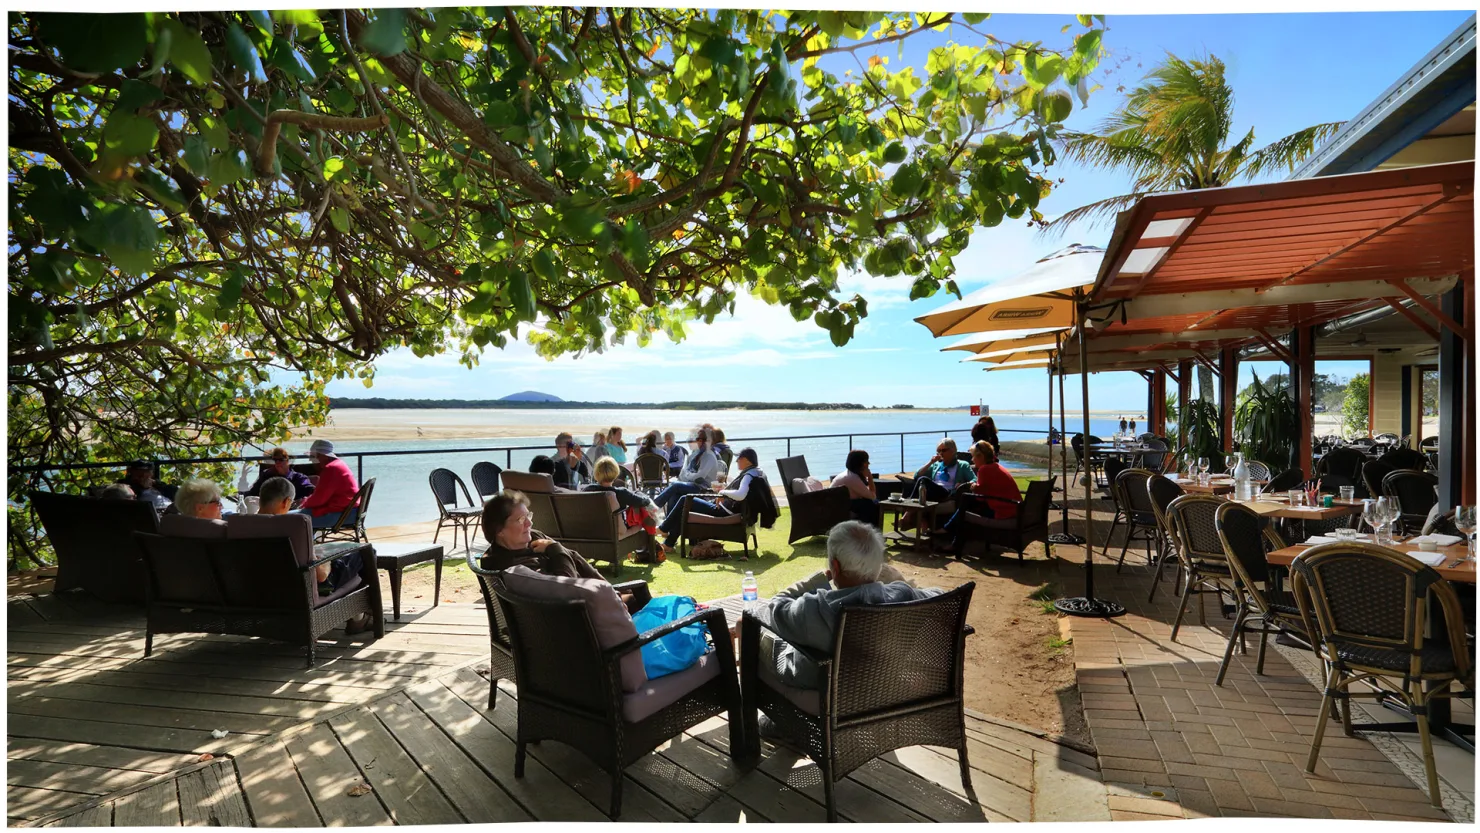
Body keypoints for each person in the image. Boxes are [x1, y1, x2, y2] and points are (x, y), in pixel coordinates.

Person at [748, 521, 943, 701]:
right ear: (878, 565)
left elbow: (774, 608)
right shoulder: (903, 596)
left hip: (819, 683)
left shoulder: (817, 609)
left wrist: (815, 580)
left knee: (747, 628)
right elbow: (939, 594)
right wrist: (901, 585)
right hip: (877, 686)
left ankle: (778, 719)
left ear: (835, 567)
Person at [656, 447, 772, 550]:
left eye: (739, 458)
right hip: (729, 508)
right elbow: (742, 493)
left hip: (723, 511)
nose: (736, 461)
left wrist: (723, 492)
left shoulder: (748, 476)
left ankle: (664, 528)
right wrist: (725, 491)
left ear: (746, 460)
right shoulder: (756, 472)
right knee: (683, 504)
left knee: (684, 500)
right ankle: (668, 543)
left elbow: (741, 494)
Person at [480, 490, 606, 580]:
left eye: (528, 516)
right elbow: (568, 588)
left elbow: (572, 556)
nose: (529, 523)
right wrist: (555, 549)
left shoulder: (534, 538)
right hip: (582, 613)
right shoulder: (514, 568)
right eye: (521, 519)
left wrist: (610, 592)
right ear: (499, 530)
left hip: (597, 598)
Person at [940, 441, 1023, 552]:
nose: (972, 460)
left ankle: (950, 536)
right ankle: (950, 533)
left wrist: (973, 487)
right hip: (1014, 509)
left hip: (1004, 512)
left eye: (974, 457)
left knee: (966, 502)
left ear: (981, 456)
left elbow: (980, 498)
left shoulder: (984, 470)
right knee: (967, 503)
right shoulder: (996, 466)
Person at [585, 458, 664, 559]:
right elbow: (644, 501)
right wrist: (640, 494)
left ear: (596, 473)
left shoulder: (588, 490)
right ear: (615, 473)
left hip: (592, 530)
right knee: (641, 512)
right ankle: (651, 543)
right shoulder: (621, 493)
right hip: (615, 531)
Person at [294, 440, 360, 529]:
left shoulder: (331, 469)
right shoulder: (339, 464)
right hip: (350, 512)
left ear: (322, 456)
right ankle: (309, 541)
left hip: (340, 515)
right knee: (296, 515)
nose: (310, 459)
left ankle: (304, 542)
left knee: (289, 519)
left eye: (312, 456)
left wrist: (303, 503)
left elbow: (319, 499)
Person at [653, 429, 720, 513]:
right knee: (675, 493)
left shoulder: (709, 456)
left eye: (697, 440)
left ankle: (653, 506)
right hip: (693, 485)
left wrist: (688, 475)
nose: (693, 442)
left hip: (703, 488)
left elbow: (699, 476)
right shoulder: (697, 454)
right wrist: (687, 476)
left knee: (675, 486)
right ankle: (670, 523)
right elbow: (684, 472)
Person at [904, 438, 975, 503]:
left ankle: (908, 506)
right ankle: (908, 512)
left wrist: (963, 485)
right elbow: (917, 475)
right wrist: (930, 462)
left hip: (947, 493)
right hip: (934, 492)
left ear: (953, 451)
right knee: (922, 482)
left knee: (923, 480)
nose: (941, 453)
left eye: (944, 450)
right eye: (939, 451)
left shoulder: (962, 465)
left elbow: (974, 479)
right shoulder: (936, 465)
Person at [244, 447, 315, 502]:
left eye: (281, 460)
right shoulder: (267, 476)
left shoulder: (298, 478)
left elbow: (311, 490)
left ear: (288, 461)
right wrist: (240, 495)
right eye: (275, 460)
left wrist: (301, 501)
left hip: (290, 512)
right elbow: (253, 492)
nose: (277, 462)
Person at [832, 449, 880, 526]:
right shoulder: (852, 478)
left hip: (840, 506)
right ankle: (872, 533)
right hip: (841, 510)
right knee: (873, 504)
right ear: (861, 463)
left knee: (871, 503)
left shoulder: (848, 475)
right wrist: (870, 477)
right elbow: (873, 496)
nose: (868, 463)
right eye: (866, 461)